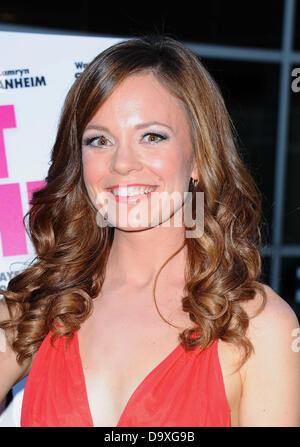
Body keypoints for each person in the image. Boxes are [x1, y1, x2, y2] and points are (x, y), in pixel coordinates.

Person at [1, 34, 300, 427]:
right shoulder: (38, 307)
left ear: (197, 157)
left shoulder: (260, 327)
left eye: (152, 136)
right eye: (99, 140)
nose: (122, 162)